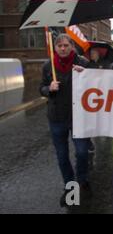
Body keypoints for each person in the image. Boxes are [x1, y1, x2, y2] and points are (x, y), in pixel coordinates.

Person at [39, 33, 91, 207]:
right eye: (59, 46)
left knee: (83, 152)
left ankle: (82, 179)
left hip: (79, 116)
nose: (62, 48)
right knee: (62, 156)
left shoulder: (82, 63)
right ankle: (70, 186)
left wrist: (86, 74)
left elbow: (95, 84)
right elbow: (41, 88)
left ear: (71, 46)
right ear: (55, 48)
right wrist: (48, 88)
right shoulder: (48, 66)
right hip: (57, 117)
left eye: (66, 45)